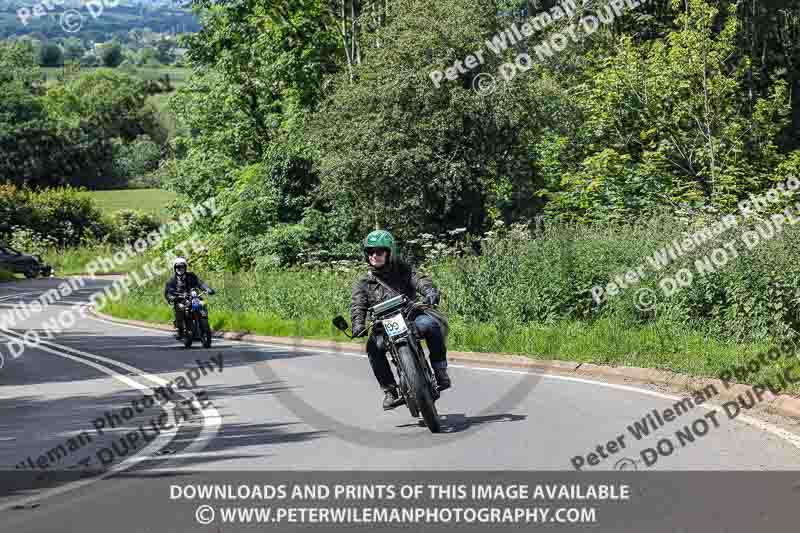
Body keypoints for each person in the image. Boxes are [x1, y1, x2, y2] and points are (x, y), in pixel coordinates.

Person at [350, 230, 451, 410]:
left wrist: (430, 292)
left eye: (379, 251)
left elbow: (420, 280)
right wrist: (358, 324)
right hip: (383, 325)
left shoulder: (403, 270)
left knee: (431, 325)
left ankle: (440, 370)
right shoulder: (364, 283)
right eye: (370, 252)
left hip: (410, 317)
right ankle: (390, 390)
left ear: (389, 252)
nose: (374, 255)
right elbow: (358, 305)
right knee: (372, 347)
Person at [164, 257, 215, 339]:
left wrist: (207, 289)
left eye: (182, 266)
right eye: (177, 267)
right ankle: (180, 329)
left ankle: (203, 323)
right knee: (180, 308)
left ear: (185, 267)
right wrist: (172, 297)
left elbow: (200, 283)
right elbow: (168, 292)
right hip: (181, 300)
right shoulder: (172, 280)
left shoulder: (191, 276)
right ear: (174, 268)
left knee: (202, 304)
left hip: (194, 298)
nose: (180, 269)